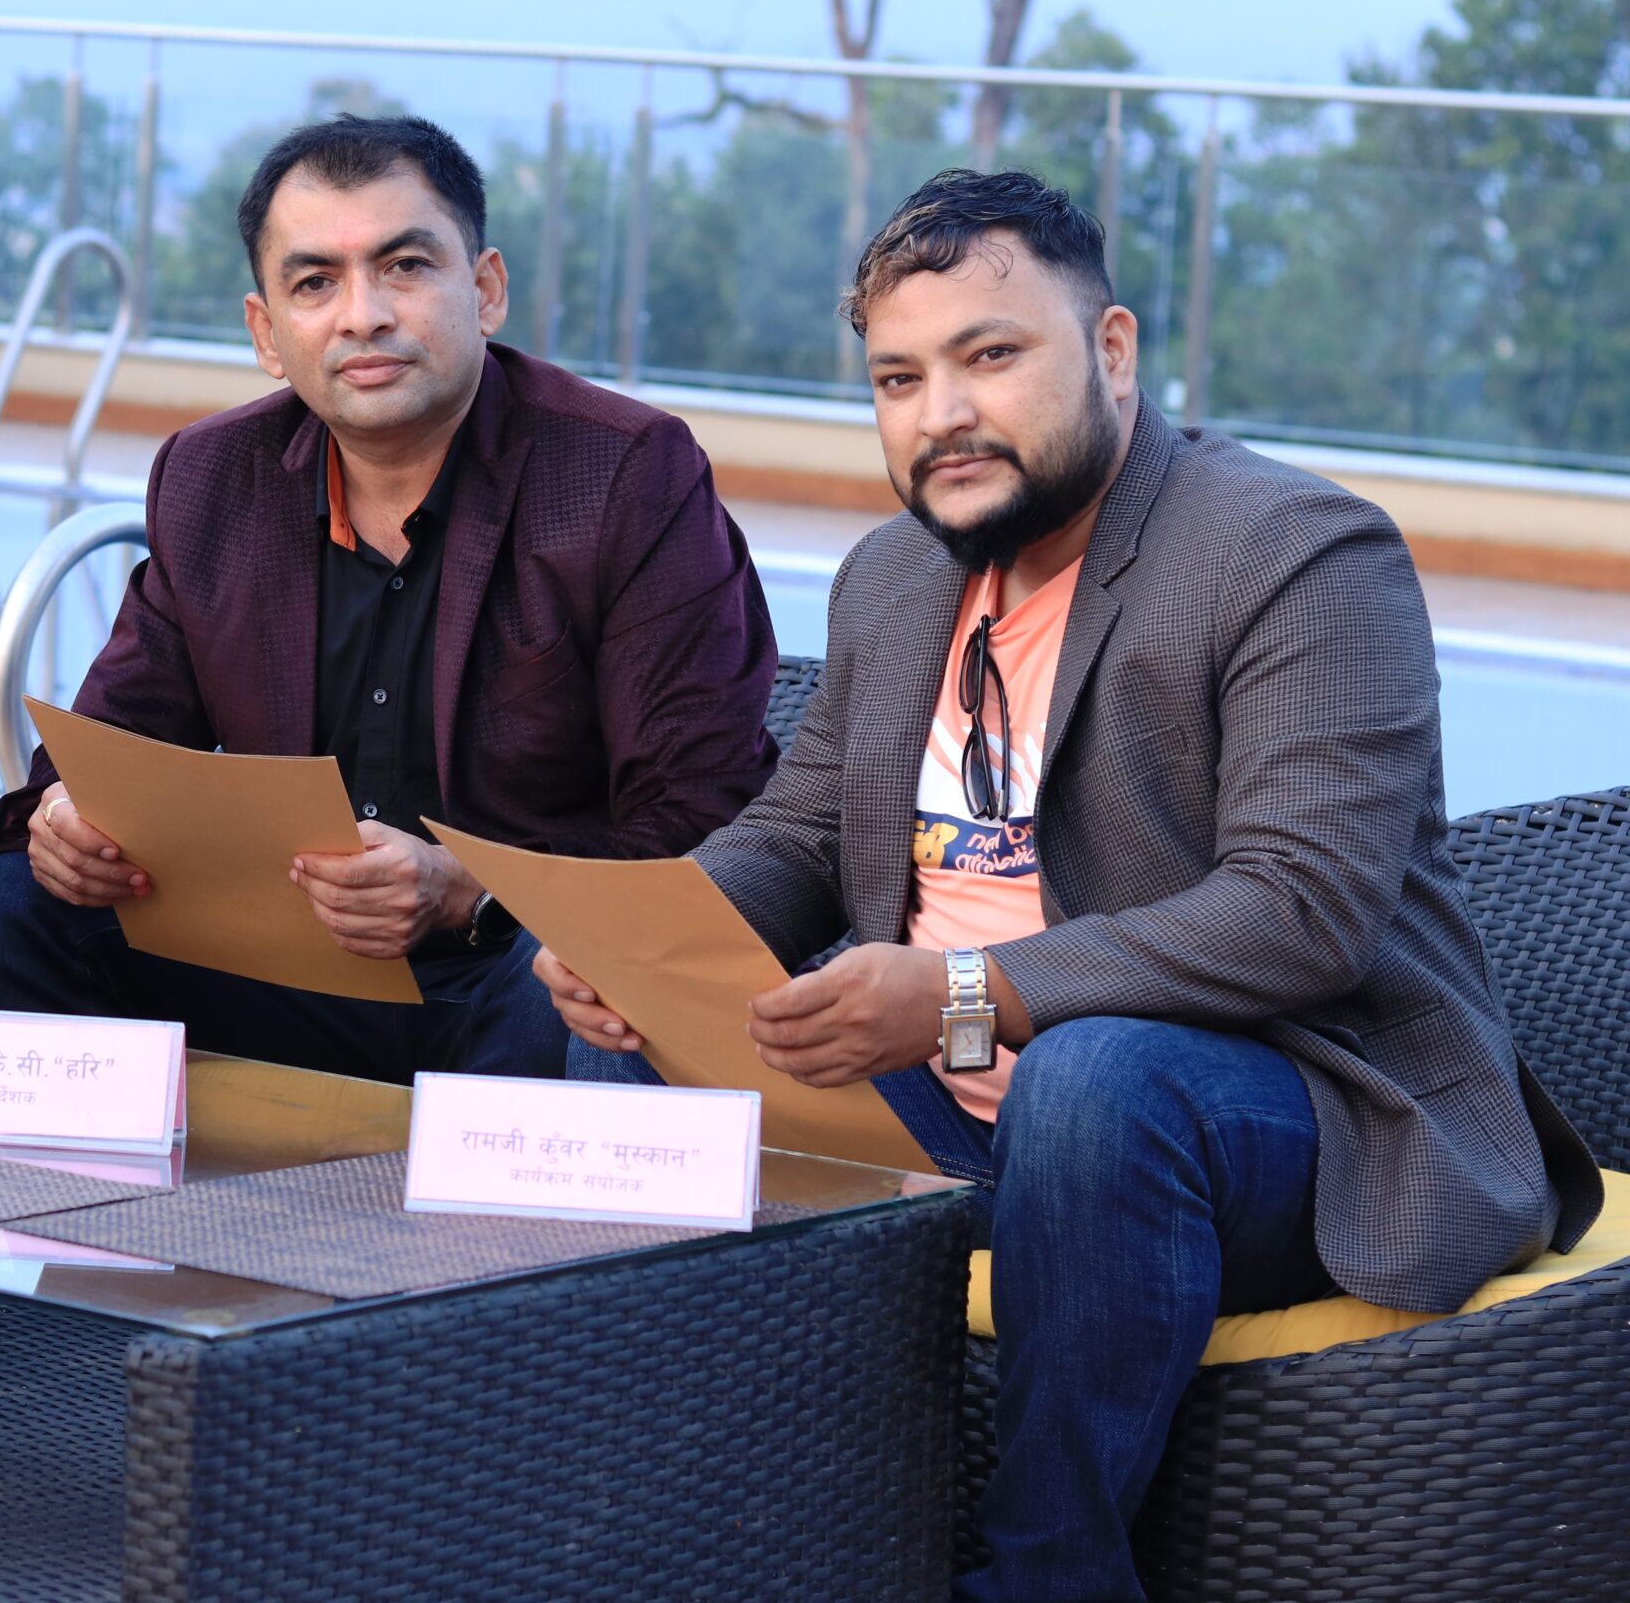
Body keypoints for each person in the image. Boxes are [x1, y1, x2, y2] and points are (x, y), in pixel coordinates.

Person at [539, 168, 1602, 1601]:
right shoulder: (893, 577)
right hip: (949, 1100)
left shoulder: (1296, 552)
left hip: (1278, 1108)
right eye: (899, 378)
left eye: (989, 355)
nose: (942, 413)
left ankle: (1050, 1574)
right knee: (622, 1041)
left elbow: (1304, 910)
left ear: (1110, 349)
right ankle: (687, 1539)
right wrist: (642, 937)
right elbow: (796, 835)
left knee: (1092, 1079)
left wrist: (959, 995)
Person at [0, 114, 778, 1082]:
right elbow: (109, 748)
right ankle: (117, 1178)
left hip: (505, 971)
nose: (363, 315)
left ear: (485, 289)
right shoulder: (212, 476)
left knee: (583, 991)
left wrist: (466, 885)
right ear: (267, 333)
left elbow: (706, 815)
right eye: (314, 282)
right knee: (2, 908)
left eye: (405, 266)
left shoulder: (625, 475)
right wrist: (62, 816)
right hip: (279, 962)